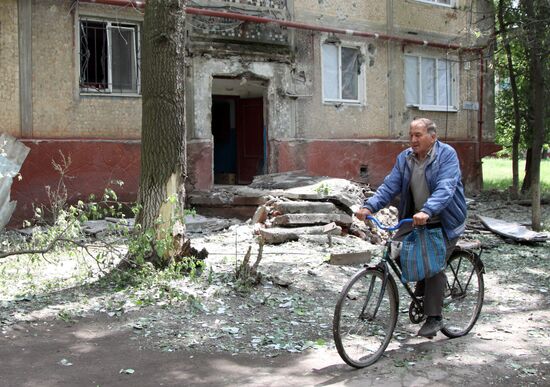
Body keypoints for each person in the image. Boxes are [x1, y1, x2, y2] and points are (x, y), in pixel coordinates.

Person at [356, 118, 467, 338]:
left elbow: (446, 187)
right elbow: (390, 186)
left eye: (418, 135)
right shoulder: (405, 158)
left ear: (432, 137)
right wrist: (369, 207)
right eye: (411, 135)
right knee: (397, 250)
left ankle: (434, 317)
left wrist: (428, 210)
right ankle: (423, 287)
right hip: (415, 219)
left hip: (444, 219)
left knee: (434, 262)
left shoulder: (447, 155)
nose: (413, 140)